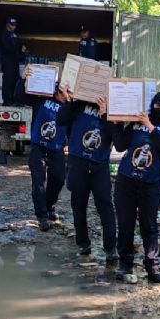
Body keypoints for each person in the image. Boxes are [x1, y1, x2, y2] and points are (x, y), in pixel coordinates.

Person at [112, 92, 160, 283]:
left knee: (149, 226)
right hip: (126, 181)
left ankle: (152, 266)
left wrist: (150, 126)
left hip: (151, 184)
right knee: (125, 224)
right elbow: (119, 145)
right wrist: (116, 121)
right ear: (152, 104)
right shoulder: (136, 123)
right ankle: (125, 263)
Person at [57, 87, 119, 263]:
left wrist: (105, 112)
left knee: (105, 207)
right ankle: (83, 243)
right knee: (78, 204)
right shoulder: (78, 104)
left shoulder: (112, 107)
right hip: (78, 161)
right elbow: (60, 120)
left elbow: (118, 138)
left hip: (100, 164)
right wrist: (69, 101)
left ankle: (110, 249)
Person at [17, 66, 70, 231]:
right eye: (65, 93)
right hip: (38, 146)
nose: (67, 96)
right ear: (58, 91)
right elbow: (18, 96)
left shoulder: (69, 105)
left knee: (59, 179)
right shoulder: (41, 99)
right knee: (38, 182)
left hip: (56, 148)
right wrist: (22, 79)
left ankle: (48, 206)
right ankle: (41, 216)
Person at [0, 17, 27, 104]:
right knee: (8, 81)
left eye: (14, 25)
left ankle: (14, 99)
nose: (13, 27)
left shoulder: (14, 35)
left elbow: (19, 46)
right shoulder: (4, 34)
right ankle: (7, 100)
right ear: (7, 24)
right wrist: (17, 48)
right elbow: (7, 47)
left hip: (15, 62)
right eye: (12, 25)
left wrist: (22, 50)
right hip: (7, 61)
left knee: (15, 81)